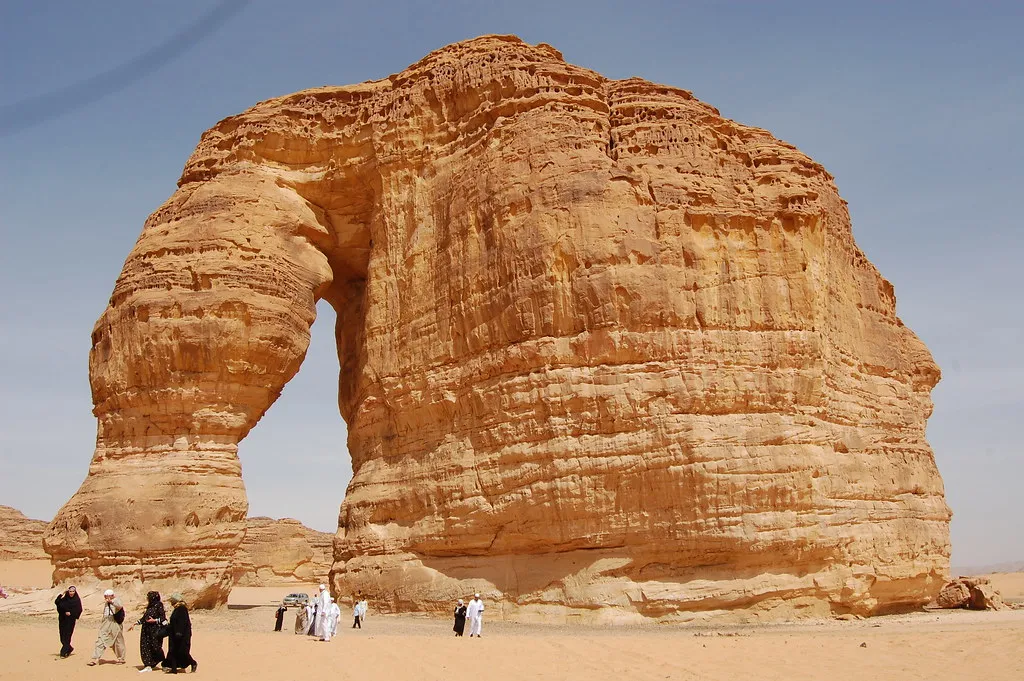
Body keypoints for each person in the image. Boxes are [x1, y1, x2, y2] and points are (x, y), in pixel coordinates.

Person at [127, 591, 166, 672]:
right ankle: (148, 665)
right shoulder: (150, 606)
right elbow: (145, 618)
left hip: (155, 630)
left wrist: (155, 620)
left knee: (156, 646)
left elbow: (163, 618)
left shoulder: (159, 605)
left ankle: (164, 662)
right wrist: (135, 623)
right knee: (146, 647)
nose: (148, 599)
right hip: (146, 631)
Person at [87, 589, 126, 666]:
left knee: (118, 641)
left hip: (115, 623)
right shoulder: (106, 603)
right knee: (101, 639)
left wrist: (111, 602)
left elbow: (119, 606)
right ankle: (96, 658)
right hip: (106, 623)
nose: (105, 598)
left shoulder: (116, 600)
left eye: (107, 596)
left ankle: (121, 658)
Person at [164, 593, 197, 674]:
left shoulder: (182, 608)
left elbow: (183, 622)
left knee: (183, 652)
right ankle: (174, 669)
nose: (171, 602)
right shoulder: (176, 609)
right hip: (174, 634)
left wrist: (179, 633)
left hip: (182, 635)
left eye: (172, 601)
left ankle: (193, 663)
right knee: (173, 651)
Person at [55, 585, 83, 658]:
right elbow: (57, 602)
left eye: (73, 591)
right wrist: (62, 593)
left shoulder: (76, 600)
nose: (71, 593)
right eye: (70, 591)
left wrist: (71, 613)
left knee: (67, 636)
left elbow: (79, 610)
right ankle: (69, 648)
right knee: (62, 637)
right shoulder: (64, 599)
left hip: (70, 620)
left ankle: (63, 653)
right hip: (62, 620)